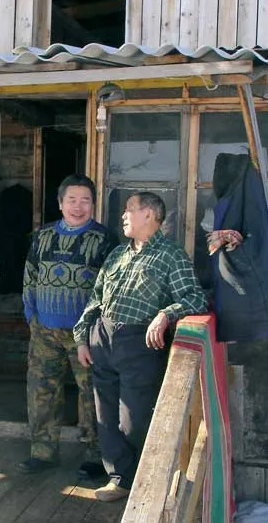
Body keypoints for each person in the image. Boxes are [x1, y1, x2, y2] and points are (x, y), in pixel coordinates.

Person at [73, 191, 207, 502]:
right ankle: (119, 479)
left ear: (149, 214)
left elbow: (195, 298)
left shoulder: (170, 255)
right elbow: (95, 297)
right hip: (103, 338)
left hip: (139, 343)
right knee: (105, 417)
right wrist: (82, 336)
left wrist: (165, 314)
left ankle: (146, 481)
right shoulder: (118, 254)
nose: (123, 216)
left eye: (129, 210)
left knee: (133, 420)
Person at [18, 174, 116, 479]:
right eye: (71, 200)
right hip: (44, 330)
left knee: (92, 394)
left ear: (93, 204)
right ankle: (43, 451)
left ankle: (96, 457)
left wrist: (98, 327)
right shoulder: (41, 236)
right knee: (41, 391)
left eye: (85, 200)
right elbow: (30, 275)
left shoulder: (104, 239)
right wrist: (31, 316)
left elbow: (110, 287)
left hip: (85, 333)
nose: (78, 206)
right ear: (60, 203)